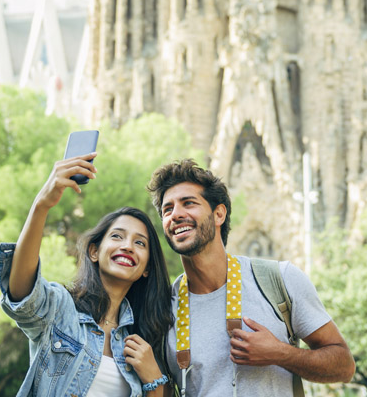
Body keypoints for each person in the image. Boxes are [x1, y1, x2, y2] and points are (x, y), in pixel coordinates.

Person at [147, 159, 355, 396]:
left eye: (189, 203)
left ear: (219, 214)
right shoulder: (164, 308)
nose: (176, 214)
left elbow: (344, 366)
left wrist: (280, 353)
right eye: (167, 209)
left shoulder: (278, 280)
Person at [0, 152, 174, 396]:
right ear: (94, 251)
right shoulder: (61, 310)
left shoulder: (145, 341)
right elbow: (22, 294)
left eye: (140, 243)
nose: (127, 246)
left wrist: (154, 379)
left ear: (146, 269)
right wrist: (42, 205)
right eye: (117, 236)